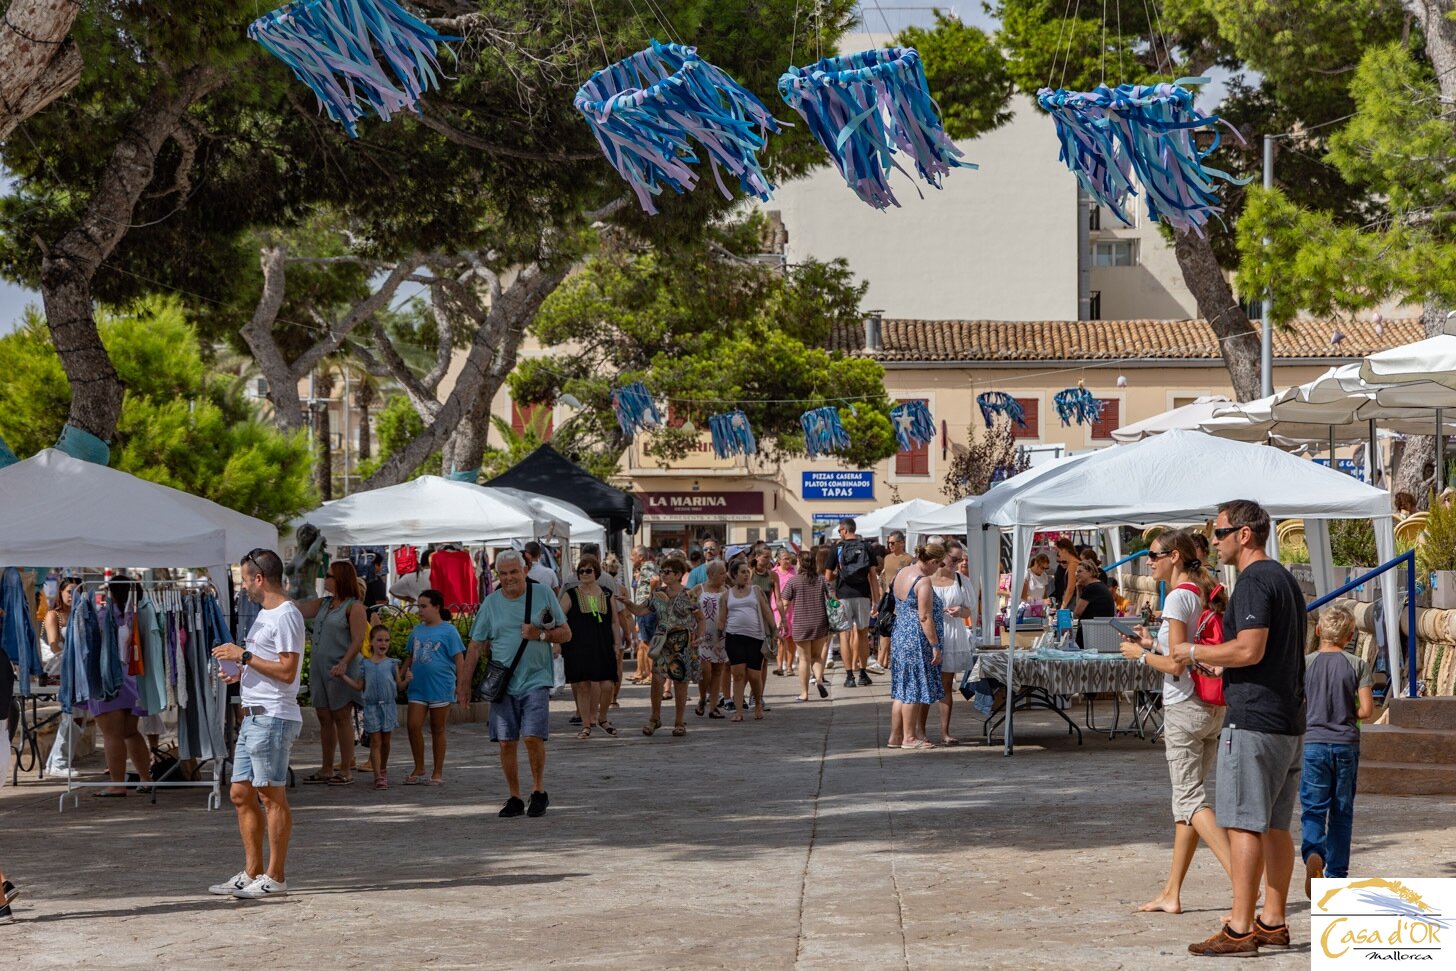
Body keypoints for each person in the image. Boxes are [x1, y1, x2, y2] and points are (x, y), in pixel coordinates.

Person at [1172, 500, 1307, 957]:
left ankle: (1240, 927)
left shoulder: (1253, 582)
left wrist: (1195, 652)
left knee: (1244, 825)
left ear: (1244, 534)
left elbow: (1249, 649)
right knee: (1275, 826)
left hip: (1254, 721)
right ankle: (1273, 919)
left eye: (1219, 532)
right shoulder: (1286, 579)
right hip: (1288, 721)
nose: (1213, 541)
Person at [1118, 529, 1233, 915]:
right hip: (1209, 705)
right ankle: (1171, 892)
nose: (1148, 561)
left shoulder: (1178, 597)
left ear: (1175, 557)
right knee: (1185, 805)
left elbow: (1175, 663)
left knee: (1190, 799)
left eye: (1154, 554)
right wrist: (1153, 643)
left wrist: (1138, 654)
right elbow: (1182, 649)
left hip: (1186, 706)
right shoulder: (1199, 593)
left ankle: (1245, 880)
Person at [210, 548, 304, 899]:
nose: (244, 586)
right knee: (240, 793)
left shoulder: (285, 615)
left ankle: (275, 875)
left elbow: (287, 670)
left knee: (270, 794)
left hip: (273, 716)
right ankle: (252, 872)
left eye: (245, 579)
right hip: (254, 714)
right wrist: (240, 671)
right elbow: (267, 664)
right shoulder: (266, 615)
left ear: (259, 578)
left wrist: (244, 656)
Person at [464, 551, 571, 818]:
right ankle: (514, 796)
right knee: (505, 742)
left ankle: (538, 790)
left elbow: (566, 633)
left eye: (514, 571)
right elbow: (475, 645)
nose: (509, 577)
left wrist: (540, 634)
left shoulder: (543, 594)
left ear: (525, 570)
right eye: (504, 573)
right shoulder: (491, 603)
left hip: (536, 678)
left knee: (532, 736)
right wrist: (463, 685)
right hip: (503, 683)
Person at [1300, 602, 1374, 895]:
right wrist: (1346, 712)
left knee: (1313, 809)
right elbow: (1367, 710)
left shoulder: (1306, 664)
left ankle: (1313, 854)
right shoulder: (1357, 664)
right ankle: (1337, 876)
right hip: (1345, 745)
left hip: (1313, 743)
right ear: (1350, 635)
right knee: (1341, 811)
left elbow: (1296, 704)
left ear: (1318, 631)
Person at [297, 561, 367, 786]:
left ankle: (346, 768)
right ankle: (327, 767)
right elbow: (299, 609)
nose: (325, 579)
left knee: (342, 717)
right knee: (324, 718)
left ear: (340, 579)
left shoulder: (353, 607)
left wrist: (345, 663)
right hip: (320, 669)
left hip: (340, 670)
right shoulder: (325, 603)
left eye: (329, 576)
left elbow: (358, 639)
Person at [618, 556, 703, 737]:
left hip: (682, 641)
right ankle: (654, 718)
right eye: (662, 571)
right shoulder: (657, 594)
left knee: (681, 682)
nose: (663, 575)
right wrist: (628, 603)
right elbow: (641, 610)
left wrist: (700, 637)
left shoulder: (689, 594)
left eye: (668, 572)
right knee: (657, 679)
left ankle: (679, 722)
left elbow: (700, 618)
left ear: (679, 574)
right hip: (663, 641)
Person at [88, 580, 152, 798]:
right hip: (133, 680)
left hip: (110, 680)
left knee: (112, 734)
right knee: (131, 732)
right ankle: (146, 778)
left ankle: (117, 783)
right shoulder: (139, 614)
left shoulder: (105, 616)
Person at [400, 589, 466, 786]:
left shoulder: (449, 631)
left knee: (438, 729)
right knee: (413, 726)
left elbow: (459, 658)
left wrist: (460, 684)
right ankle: (419, 766)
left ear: (436, 607)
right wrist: (400, 675)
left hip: (440, 687)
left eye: (423, 606)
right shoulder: (417, 630)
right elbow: (410, 656)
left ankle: (438, 772)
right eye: (418, 606)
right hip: (418, 687)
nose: (419, 610)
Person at [888, 543, 944, 750]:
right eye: (939, 564)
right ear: (932, 562)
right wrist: (935, 645)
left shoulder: (903, 571)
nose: (939, 568)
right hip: (915, 638)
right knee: (913, 687)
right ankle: (909, 738)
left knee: (902, 689)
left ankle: (895, 736)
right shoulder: (924, 581)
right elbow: (925, 616)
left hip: (900, 633)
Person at [559, 559, 620, 739]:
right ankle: (586, 724)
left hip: (602, 643)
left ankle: (602, 718)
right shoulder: (571, 594)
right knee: (583, 685)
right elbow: (560, 616)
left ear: (597, 572)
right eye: (581, 571)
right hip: (578, 645)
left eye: (589, 570)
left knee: (608, 683)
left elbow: (615, 621)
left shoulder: (607, 594)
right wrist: (559, 639)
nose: (585, 574)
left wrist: (617, 643)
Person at [340, 625, 404, 790]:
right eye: (380, 640)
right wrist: (343, 676)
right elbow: (358, 686)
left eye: (387, 640)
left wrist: (407, 679)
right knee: (376, 740)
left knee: (386, 741)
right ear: (372, 642)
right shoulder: (365, 664)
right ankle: (378, 775)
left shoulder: (392, 663)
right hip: (372, 707)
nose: (383, 643)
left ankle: (383, 767)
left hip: (388, 706)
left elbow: (400, 686)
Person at [720, 560, 778, 723]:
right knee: (737, 674)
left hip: (755, 637)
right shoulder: (727, 594)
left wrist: (774, 630)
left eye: (747, 572)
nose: (746, 575)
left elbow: (766, 611)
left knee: (754, 675)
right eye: (743, 572)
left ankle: (758, 702)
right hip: (734, 637)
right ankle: (738, 711)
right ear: (734, 575)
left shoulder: (755, 591)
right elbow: (721, 619)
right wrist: (716, 639)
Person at [931, 544, 976, 746]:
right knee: (927, 683)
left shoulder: (961, 580)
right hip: (932, 633)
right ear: (943, 556)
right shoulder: (927, 579)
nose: (957, 563)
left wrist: (960, 611)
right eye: (954, 559)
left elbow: (969, 611)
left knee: (946, 684)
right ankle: (920, 732)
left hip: (952, 632)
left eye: (960, 560)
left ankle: (944, 732)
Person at [829, 518, 881, 689]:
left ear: (844, 530)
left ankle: (849, 675)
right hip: (863, 595)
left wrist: (838, 576)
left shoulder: (837, 548)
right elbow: (872, 576)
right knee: (862, 634)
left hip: (843, 595)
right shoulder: (866, 547)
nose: (839, 534)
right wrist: (876, 600)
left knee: (844, 635)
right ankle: (863, 673)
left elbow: (828, 577)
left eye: (839, 531)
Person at [42, 577, 85, 775]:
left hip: (79, 672)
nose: (71, 596)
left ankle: (56, 762)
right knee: (72, 714)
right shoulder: (54, 615)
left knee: (78, 717)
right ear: (61, 592)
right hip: (62, 671)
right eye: (69, 591)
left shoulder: (82, 614)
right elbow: (53, 643)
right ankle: (59, 762)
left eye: (76, 591)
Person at [782, 549, 832, 702]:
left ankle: (804, 694)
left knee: (804, 659)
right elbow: (832, 598)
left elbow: (785, 603)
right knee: (816, 656)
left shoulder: (793, 581)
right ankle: (818, 679)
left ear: (800, 562)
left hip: (801, 624)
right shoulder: (822, 579)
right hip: (820, 622)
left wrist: (781, 621)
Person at [694, 561, 729, 719]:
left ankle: (713, 706)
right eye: (721, 573)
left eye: (724, 572)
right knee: (705, 670)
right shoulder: (699, 589)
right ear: (710, 574)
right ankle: (702, 698)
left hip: (720, 637)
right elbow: (687, 607)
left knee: (718, 671)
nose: (724, 576)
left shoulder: (727, 590)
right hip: (702, 637)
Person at [629, 546, 661, 685]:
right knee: (646, 642)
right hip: (645, 610)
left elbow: (655, 579)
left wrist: (649, 597)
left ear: (641, 557)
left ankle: (652, 675)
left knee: (648, 643)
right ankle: (649, 674)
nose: (631, 558)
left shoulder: (646, 567)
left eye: (633, 555)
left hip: (646, 610)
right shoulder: (647, 567)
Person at [1070, 560, 1116, 646]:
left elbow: (1077, 613)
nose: (1076, 574)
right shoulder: (1099, 585)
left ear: (1090, 572)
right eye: (1076, 571)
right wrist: (1079, 589)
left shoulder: (1092, 588)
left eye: (1080, 571)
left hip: (1091, 635)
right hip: (1101, 633)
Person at [771, 548, 799, 680]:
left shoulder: (794, 571)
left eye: (789, 558)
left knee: (791, 638)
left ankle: (789, 666)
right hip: (778, 608)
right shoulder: (773, 572)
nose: (788, 561)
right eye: (785, 559)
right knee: (781, 638)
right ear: (779, 560)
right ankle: (779, 666)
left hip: (793, 608)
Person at [1050, 537, 1079, 610]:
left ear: (1064, 550)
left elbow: (1070, 588)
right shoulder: (1074, 563)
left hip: (1073, 602)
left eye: (1059, 551)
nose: (1059, 554)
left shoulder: (1073, 564)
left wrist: (1063, 606)